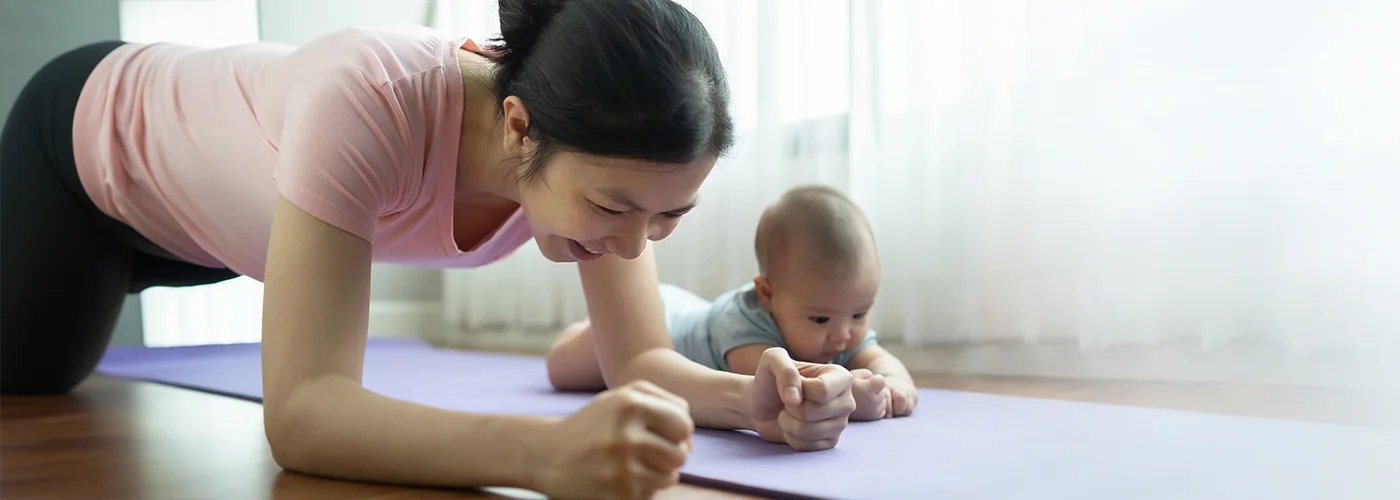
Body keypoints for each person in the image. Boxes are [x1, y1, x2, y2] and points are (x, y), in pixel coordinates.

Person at [0, 0, 859, 497]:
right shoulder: (368, 99)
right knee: (30, 380)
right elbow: (302, 417)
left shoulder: (588, 151)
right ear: (519, 127)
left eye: (669, 218)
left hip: (225, 233)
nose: (632, 243)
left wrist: (752, 400)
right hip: (89, 155)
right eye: (615, 208)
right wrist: (545, 455)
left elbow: (637, 359)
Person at [548, 185, 919, 420]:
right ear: (767, 294)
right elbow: (768, 385)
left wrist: (894, 385)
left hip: (687, 308)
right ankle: (586, 326)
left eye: (859, 313)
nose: (842, 335)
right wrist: (850, 394)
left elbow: (880, 359)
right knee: (564, 371)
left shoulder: (843, 328)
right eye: (820, 319)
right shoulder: (744, 324)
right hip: (660, 319)